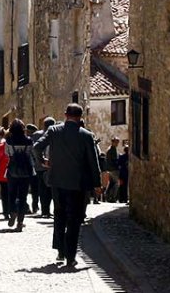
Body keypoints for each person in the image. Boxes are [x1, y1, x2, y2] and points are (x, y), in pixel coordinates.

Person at [33, 104, 102, 268]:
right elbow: (93, 161)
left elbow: (37, 147)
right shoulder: (86, 135)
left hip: (57, 181)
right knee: (74, 219)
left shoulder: (54, 131)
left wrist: (43, 162)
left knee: (59, 214)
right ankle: (70, 256)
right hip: (78, 184)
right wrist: (97, 184)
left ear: (65, 115)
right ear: (80, 116)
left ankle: (60, 251)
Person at [3, 119, 36, 231]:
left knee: (11, 194)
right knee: (23, 197)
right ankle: (20, 222)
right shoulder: (28, 140)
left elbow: (6, 153)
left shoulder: (9, 140)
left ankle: (12, 211)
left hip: (12, 170)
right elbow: (31, 153)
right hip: (25, 171)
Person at [30, 117, 55, 217]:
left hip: (40, 166)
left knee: (42, 189)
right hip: (51, 166)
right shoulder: (55, 134)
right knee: (50, 189)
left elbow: (33, 150)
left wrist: (37, 161)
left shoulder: (36, 135)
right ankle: (48, 210)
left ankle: (44, 210)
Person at [25, 123, 39, 212]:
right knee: (35, 189)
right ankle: (35, 206)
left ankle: (26, 207)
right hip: (33, 168)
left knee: (25, 189)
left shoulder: (25, 140)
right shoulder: (33, 141)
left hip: (25, 167)